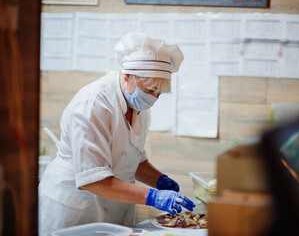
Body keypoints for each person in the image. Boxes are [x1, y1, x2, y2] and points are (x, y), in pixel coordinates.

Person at [38, 32, 195, 235]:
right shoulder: (93, 104)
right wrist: (153, 197)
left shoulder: (139, 108)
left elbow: (132, 158)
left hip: (113, 206)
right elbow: (93, 179)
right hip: (75, 210)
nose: (154, 98)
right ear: (127, 76)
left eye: (159, 92)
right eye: (149, 90)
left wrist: (159, 180)